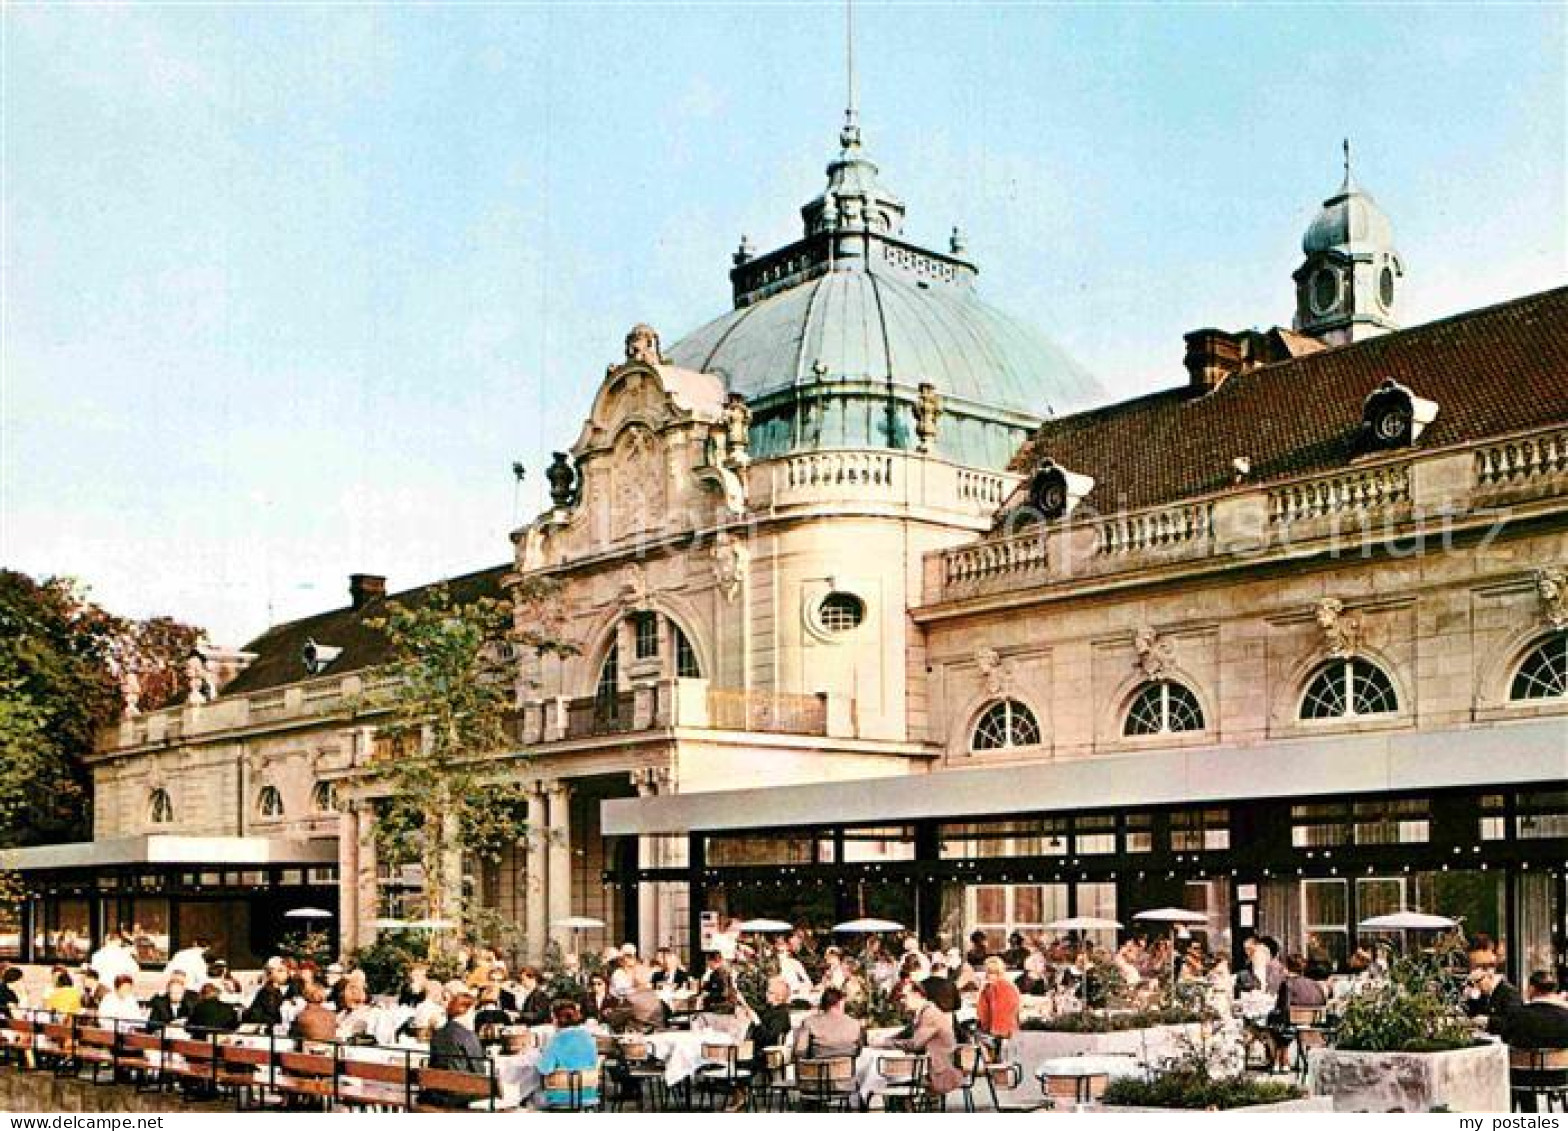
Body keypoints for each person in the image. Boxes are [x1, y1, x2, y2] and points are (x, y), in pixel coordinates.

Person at [1502, 971, 1568, 1112]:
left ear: (1531, 988)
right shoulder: (1566, 1016)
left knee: (1517, 1075)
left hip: (1523, 1079)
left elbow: (1505, 1038)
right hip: (1560, 1077)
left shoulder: (1518, 1015)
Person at [889, 981, 962, 1097]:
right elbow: (905, 1034)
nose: (901, 1002)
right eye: (898, 999)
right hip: (932, 1069)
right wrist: (889, 1039)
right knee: (890, 1075)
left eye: (903, 997)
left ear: (917, 995)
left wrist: (888, 1043)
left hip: (940, 1074)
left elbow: (914, 1044)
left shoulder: (930, 1014)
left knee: (887, 1079)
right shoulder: (923, 1012)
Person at [423, 993, 491, 1108]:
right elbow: (480, 1072)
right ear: (467, 1011)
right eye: (473, 1011)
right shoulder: (468, 1036)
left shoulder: (438, 1034)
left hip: (437, 1092)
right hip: (460, 1093)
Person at [1265, 954, 1328, 1071]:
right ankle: (1283, 1059)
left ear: (1287, 967)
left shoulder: (1287, 984)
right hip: (1312, 1022)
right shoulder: (1314, 984)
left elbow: (1282, 1006)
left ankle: (1278, 1058)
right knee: (1281, 1021)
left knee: (1271, 1020)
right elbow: (1322, 1001)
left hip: (1290, 1022)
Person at [536, 1000, 599, 1109]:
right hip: (588, 1094)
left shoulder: (556, 1040)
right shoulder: (589, 1038)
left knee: (532, 1097)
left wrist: (538, 1056)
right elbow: (593, 1063)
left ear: (556, 1019)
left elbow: (544, 1069)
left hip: (560, 1097)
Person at [1466, 946, 1525, 1035]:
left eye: (1477, 981)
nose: (1476, 986)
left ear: (1489, 975)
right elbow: (1474, 1014)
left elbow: (1513, 1022)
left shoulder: (1509, 993)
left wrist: (1488, 1021)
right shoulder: (1484, 995)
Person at [793, 987, 864, 1061]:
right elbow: (859, 1050)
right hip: (847, 1069)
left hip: (817, 1069)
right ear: (839, 1003)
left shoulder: (809, 1022)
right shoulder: (854, 1024)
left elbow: (800, 1051)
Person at [977, 956, 1021, 1058]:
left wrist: (980, 991)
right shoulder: (1012, 987)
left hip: (996, 1033)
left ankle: (989, 1064)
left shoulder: (989, 989)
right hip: (1012, 1032)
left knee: (973, 1033)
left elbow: (982, 1015)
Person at [602, 966, 664, 1033]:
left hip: (638, 1037)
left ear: (634, 978)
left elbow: (614, 1020)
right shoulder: (655, 994)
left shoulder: (632, 998)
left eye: (631, 975)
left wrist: (608, 1014)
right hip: (657, 1034)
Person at [243, 960, 290, 1028]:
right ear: (271, 974)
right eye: (280, 971)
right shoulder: (267, 992)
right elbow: (257, 1014)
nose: (287, 973)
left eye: (286, 971)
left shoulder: (291, 989)